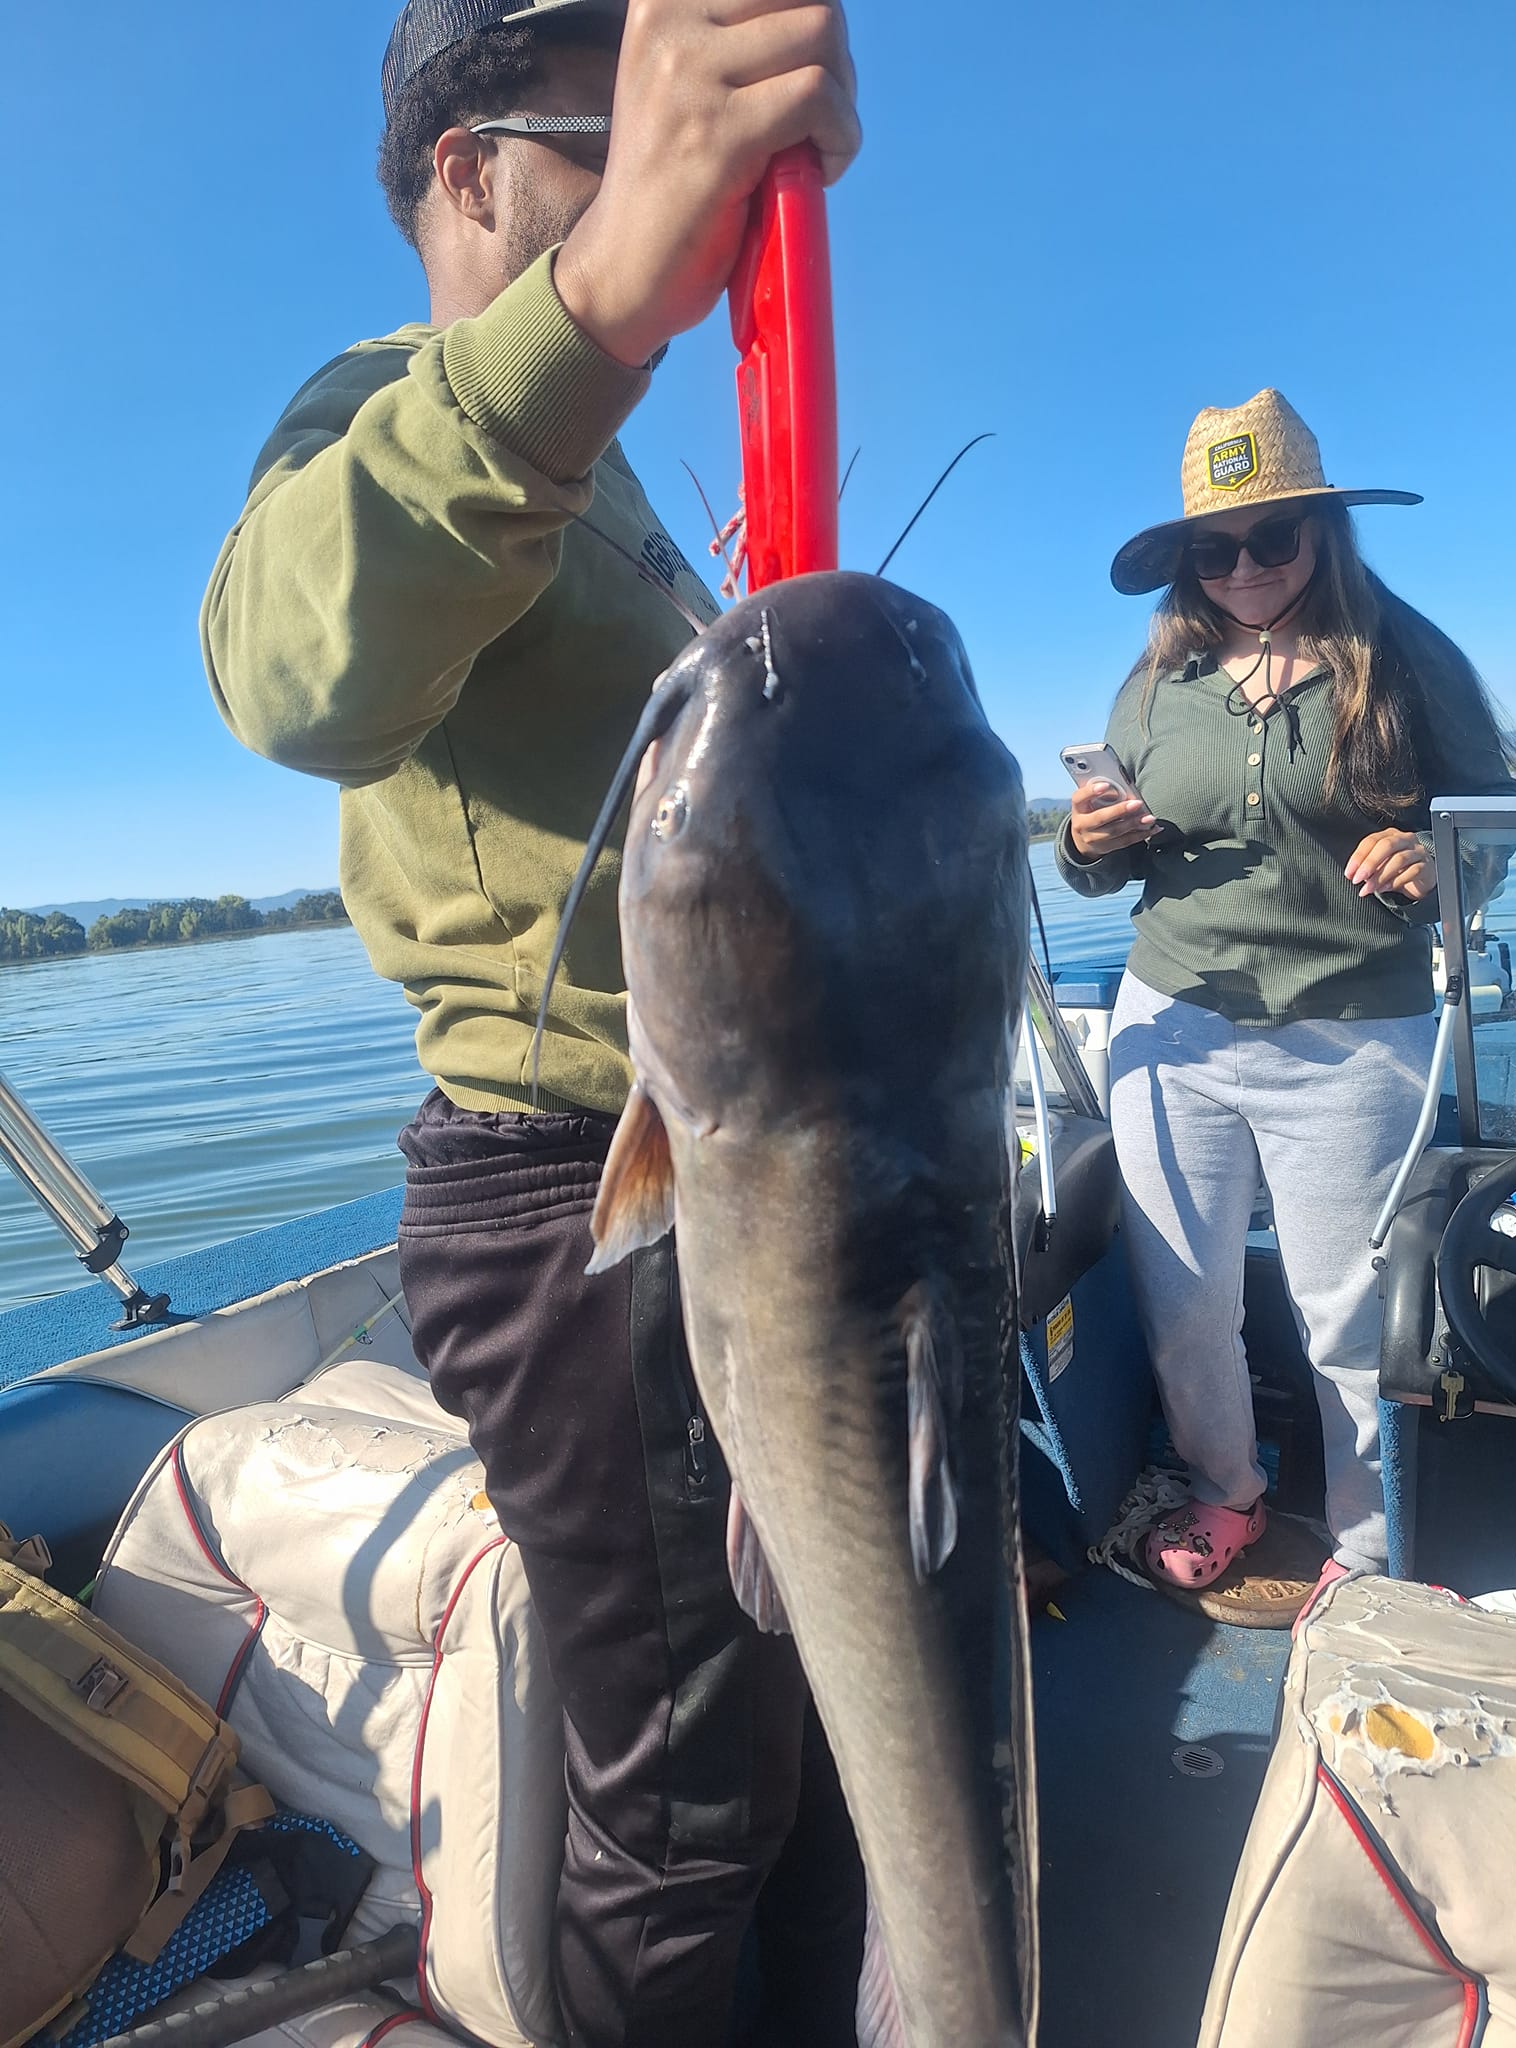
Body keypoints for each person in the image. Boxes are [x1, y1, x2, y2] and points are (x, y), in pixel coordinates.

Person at [200, 3, 865, 2042]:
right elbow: (291, 664)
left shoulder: (611, 485)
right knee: (683, 1787)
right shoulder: (383, 408)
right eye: (620, 132)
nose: (693, 179)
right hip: (581, 1198)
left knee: (819, 1705)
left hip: (753, 1161)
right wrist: (596, 301)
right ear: (469, 168)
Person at [1058, 388, 1516, 1617]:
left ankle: (1370, 1551)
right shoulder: (1155, 684)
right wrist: (1091, 840)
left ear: (1323, 530)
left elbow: (1489, 821)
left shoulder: (1407, 658)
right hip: (1174, 1029)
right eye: (1217, 548)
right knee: (1184, 1296)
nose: (1247, 568)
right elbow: (1100, 860)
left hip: (1353, 1036)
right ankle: (1226, 1485)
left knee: (1349, 1321)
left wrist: (1436, 857)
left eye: (1274, 538)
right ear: (1187, 560)